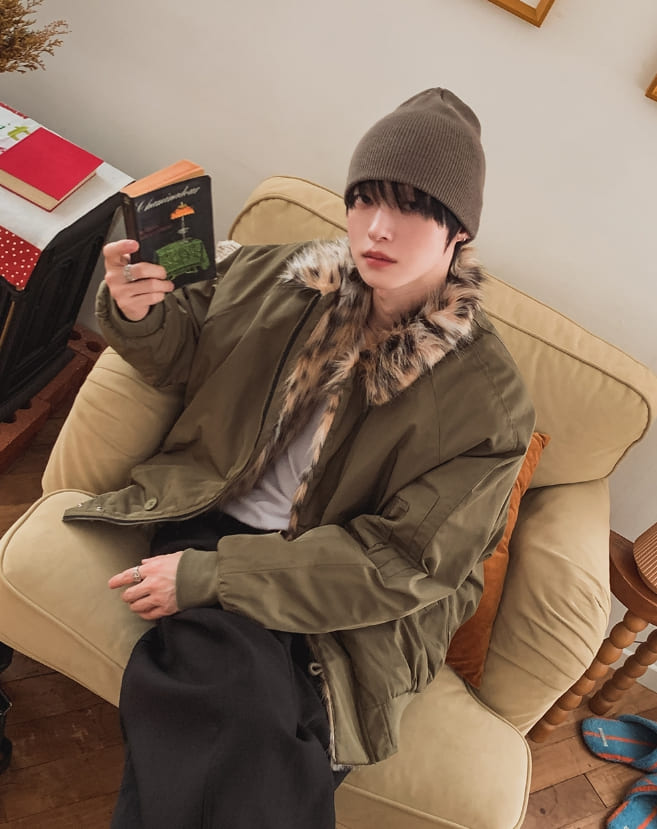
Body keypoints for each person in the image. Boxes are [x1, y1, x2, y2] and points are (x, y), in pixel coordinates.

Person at [64, 87, 535, 828]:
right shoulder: (280, 278)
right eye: (364, 199)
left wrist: (212, 577)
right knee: (250, 702)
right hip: (213, 517)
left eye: (411, 207)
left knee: (233, 690)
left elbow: (403, 560)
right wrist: (138, 311)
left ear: (459, 231)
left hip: (357, 597)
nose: (377, 227)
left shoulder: (488, 402)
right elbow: (186, 353)